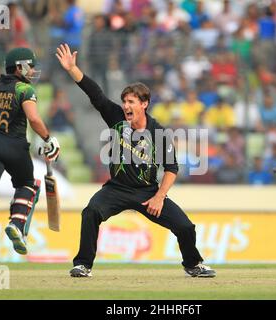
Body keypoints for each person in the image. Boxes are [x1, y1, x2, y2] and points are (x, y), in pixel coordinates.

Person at [56, 43, 215, 278]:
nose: (126, 106)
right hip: (116, 189)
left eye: (131, 102)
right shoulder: (117, 118)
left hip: (147, 192)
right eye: (124, 101)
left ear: (144, 104)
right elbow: (96, 94)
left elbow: (172, 168)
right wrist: (72, 69)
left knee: (185, 227)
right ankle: (83, 264)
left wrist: (159, 197)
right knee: (90, 213)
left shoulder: (158, 132)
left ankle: (193, 264)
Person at [0, 47, 61, 268]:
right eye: (30, 65)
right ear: (19, 66)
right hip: (14, 146)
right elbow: (34, 119)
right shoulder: (24, 90)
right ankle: (16, 224)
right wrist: (48, 139)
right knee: (27, 184)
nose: (33, 70)